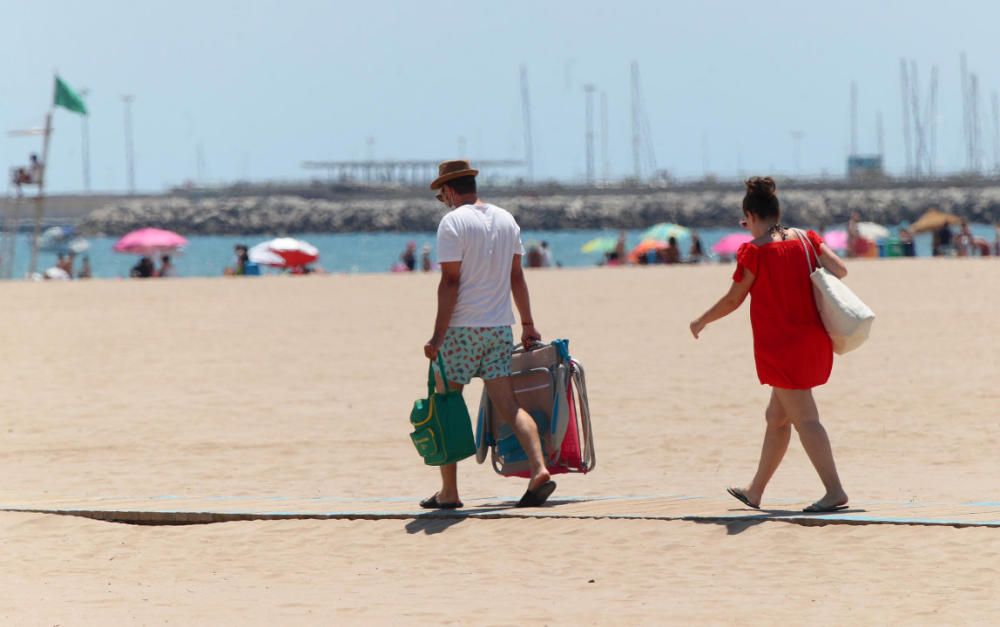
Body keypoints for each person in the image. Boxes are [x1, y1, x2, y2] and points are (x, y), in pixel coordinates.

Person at [689, 176, 849, 513]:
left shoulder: (754, 251)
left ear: (751, 214)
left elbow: (734, 300)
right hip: (813, 338)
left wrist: (701, 320)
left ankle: (834, 490)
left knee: (805, 418)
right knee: (776, 417)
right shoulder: (807, 238)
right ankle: (756, 491)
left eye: (744, 220)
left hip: (783, 347)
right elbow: (840, 269)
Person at [422, 159, 555, 509]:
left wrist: (437, 336)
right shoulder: (506, 219)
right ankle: (539, 469)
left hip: (462, 330)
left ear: (449, 190)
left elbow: (450, 282)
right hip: (498, 326)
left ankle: (449, 492)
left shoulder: (452, 223)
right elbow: (516, 276)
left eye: (442, 195)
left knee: (447, 404)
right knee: (509, 405)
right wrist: (527, 323)